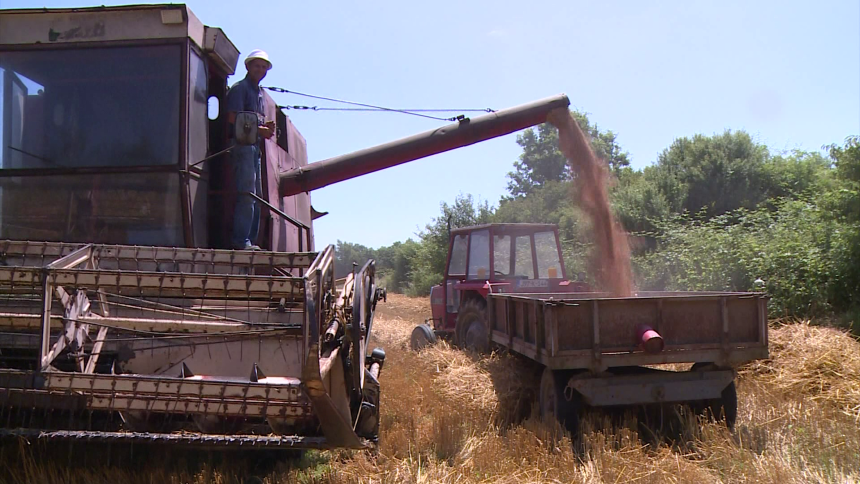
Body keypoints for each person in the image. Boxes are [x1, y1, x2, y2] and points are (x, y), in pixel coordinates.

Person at [226, 49, 276, 250]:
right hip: (242, 147)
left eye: (264, 67)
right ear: (248, 67)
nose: (261, 70)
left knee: (256, 196)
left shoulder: (259, 93)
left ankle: (250, 241)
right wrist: (261, 130)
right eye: (257, 65)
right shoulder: (240, 89)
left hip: (254, 148)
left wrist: (266, 128)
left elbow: (253, 121)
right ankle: (241, 241)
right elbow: (232, 117)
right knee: (247, 194)